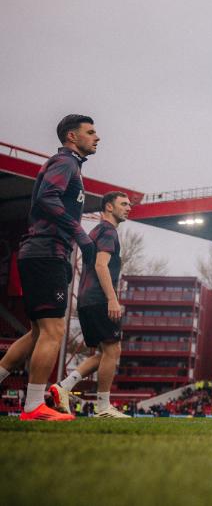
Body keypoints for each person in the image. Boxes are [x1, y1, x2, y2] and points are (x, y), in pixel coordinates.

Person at [0, 115, 99, 421]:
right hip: (47, 252)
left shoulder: (70, 165)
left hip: (39, 252)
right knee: (54, 331)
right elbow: (47, 198)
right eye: (90, 132)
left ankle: (32, 404)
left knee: (36, 332)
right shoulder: (65, 162)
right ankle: (32, 407)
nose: (97, 137)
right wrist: (79, 232)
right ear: (72, 136)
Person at [49, 191, 132, 418]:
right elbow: (101, 265)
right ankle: (104, 408)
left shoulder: (94, 231)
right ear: (108, 207)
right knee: (113, 349)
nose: (128, 207)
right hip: (99, 299)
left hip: (85, 300)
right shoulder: (107, 230)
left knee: (107, 352)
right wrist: (112, 299)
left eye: (129, 204)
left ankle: (62, 386)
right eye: (123, 204)